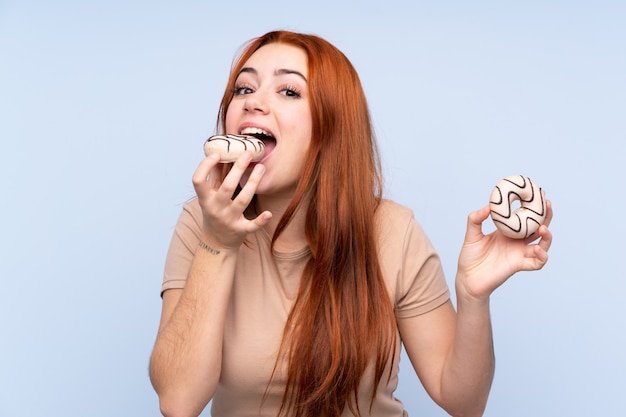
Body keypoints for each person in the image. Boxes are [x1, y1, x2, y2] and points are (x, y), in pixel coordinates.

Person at [149, 30, 553, 417]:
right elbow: (177, 403)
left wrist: (473, 296)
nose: (254, 102)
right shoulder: (201, 226)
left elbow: (464, 403)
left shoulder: (392, 229)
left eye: (288, 91)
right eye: (244, 88)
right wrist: (217, 242)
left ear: (331, 127)